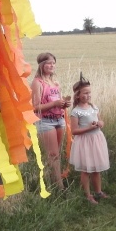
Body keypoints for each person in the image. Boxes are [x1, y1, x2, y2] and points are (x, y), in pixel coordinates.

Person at [30, 52, 71, 186]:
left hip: (59, 120)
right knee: (53, 154)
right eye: (49, 63)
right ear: (41, 65)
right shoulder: (37, 82)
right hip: (45, 121)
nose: (52, 65)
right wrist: (54, 104)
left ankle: (52, 180)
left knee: (56, 154)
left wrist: (64, 104)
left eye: (53, 63)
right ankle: (60, 186)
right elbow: (35, 107)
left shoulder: (55, 83)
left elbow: (57, 101)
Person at [68, 75, 110, 204]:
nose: (88, 95)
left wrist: (100, 123)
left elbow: (100, 120)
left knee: (96, 168)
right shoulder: (76, 112)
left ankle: (98, 191)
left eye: (89, 92)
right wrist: (89, 128)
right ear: (78, 95)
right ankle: (87, 195)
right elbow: (74, 131)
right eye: (85, 93)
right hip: (85, 142)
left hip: (96, 140)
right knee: (86, 170)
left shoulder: (93, 107)